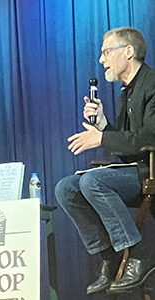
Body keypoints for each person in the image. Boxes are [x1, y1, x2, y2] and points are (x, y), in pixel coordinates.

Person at [55, 27, 155, 294]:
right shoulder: (126, 93)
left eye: (106, 52)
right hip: (137, 169)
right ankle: (110, 257)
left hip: (151, 171)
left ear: (129, 52)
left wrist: (101, 140)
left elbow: (151, 136)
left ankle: (140, 252)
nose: (102, 60)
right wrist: (104, 126)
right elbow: (128, 149)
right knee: (65, 188)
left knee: (92, 182)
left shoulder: (152, 84)